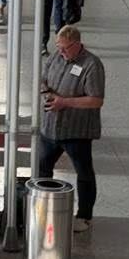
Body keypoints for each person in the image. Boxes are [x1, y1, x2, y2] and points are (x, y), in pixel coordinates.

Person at [39, 26, 104, 233]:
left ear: (77, 44)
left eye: (65, 48)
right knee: (42, 168)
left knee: (84, 172)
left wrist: (65, 102)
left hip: (77, 130)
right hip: (51, 127)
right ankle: (45, 207)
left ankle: (84, 215)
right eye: (58, 47)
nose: (61, 52)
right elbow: (43, 80)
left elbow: (96, 100)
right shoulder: (56, 57)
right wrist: (47, 95)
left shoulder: (91, 65)